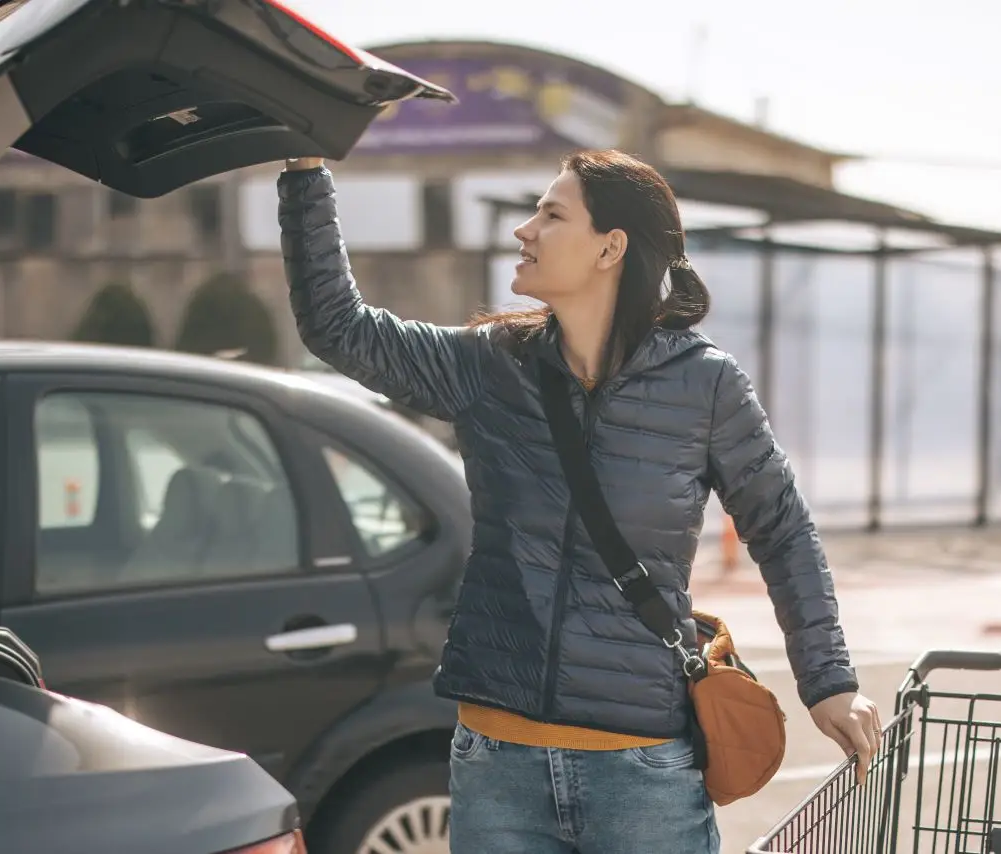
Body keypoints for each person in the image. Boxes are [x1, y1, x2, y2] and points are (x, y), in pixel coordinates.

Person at [278, 149, 880, 853]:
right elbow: (337, 326)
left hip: (644, 771)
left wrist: (828, 681)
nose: (523, 230)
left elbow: (781, 530)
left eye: (551, 213)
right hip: (498, 767)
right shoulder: (489, 366)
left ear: (609, 248)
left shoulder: (705, 386)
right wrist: (306, 168)